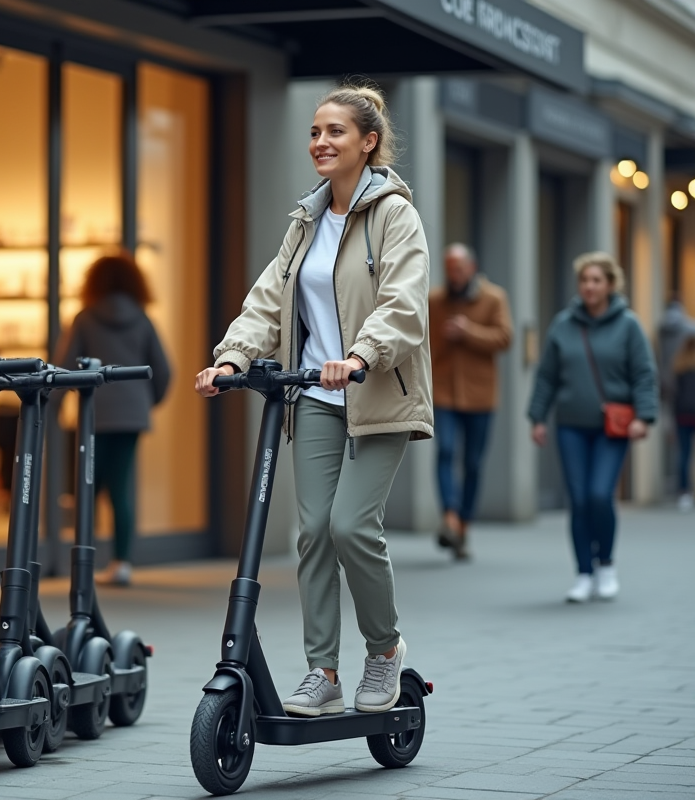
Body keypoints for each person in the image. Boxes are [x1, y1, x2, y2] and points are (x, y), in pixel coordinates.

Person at [196, 81, 432, 718]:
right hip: (315, 398)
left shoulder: (394, 216)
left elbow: (403, 306)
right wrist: (231, 357)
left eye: (335, 132)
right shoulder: (305, 220)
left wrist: (359, 357)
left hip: (375, 392)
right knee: (311, 535)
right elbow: (269, 301)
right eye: (314, 132)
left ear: (368, 142)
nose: (320, 143)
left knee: (351, 525)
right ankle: (322, 670)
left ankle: (383, 650)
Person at [528, 252, 657, 604]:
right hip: (571, 426)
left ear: (610, 285)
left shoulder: (628, 325)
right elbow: (547, 378)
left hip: (611, 429)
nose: (589, 286)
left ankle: (607, 566)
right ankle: (584, 574)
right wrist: (537, 418)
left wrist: (644, 417)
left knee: (600, 495)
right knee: (579, 500)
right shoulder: (563, 325)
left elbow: (644, 374)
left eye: (596, 280)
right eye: (584, 280)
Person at [57, 251, 171, 587]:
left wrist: (53, 406)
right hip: (131, 414)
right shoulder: (142, 318)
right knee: (121, 487)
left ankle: (84, 561)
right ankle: (122, 562)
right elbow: (163, 370)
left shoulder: (85, 318)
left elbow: (65, 366)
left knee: (88, 487)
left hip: (95, 413)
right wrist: (146, 403)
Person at [428, 243, 512, 560]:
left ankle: (463, 525)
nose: (454, 274)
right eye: (449, 268)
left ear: (472, 268)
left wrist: (469, 331)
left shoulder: (494, 298)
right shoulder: (435, 301)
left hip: (480, 394)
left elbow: (505, 338)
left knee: (474, 463)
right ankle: (450, 515)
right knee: (446, 451)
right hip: (445, 391)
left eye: (459, 268)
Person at [672, 335, 695, 512]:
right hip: (688, 414)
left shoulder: (679, 366)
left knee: (684, 455)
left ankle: (683, 493)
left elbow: (675, 395)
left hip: (682, 416)